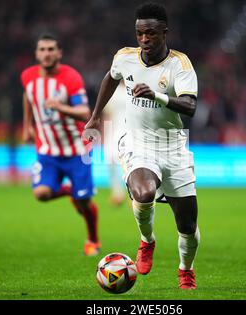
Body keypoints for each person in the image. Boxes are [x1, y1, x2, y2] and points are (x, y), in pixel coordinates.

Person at [85, 2, 200, 289]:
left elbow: (190, 106)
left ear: (165, 33)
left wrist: (158, 96)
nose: (145, 40)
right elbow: (110, 79)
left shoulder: (180, 65)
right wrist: (95, 115)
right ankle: (147, 240)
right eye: (140, 34)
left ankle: (186, 269)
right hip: (137, 140)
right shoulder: (125, 58)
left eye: (151, 33)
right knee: (144, 191)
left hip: (173, 145)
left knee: (187, 227)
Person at [21, 33, 100, 256]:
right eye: (42, 49)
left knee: (84, 203)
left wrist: (59, 106)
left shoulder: (71, 78)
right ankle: (68, 191)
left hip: (77, 150)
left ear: (59, 53)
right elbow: (28, 97)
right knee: (42, 194)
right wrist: (28, 125)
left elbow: (85, 112)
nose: (46, 54)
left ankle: (93, 239)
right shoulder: (28, 77)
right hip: (48, 151)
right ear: (37, 54)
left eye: (51, 49)